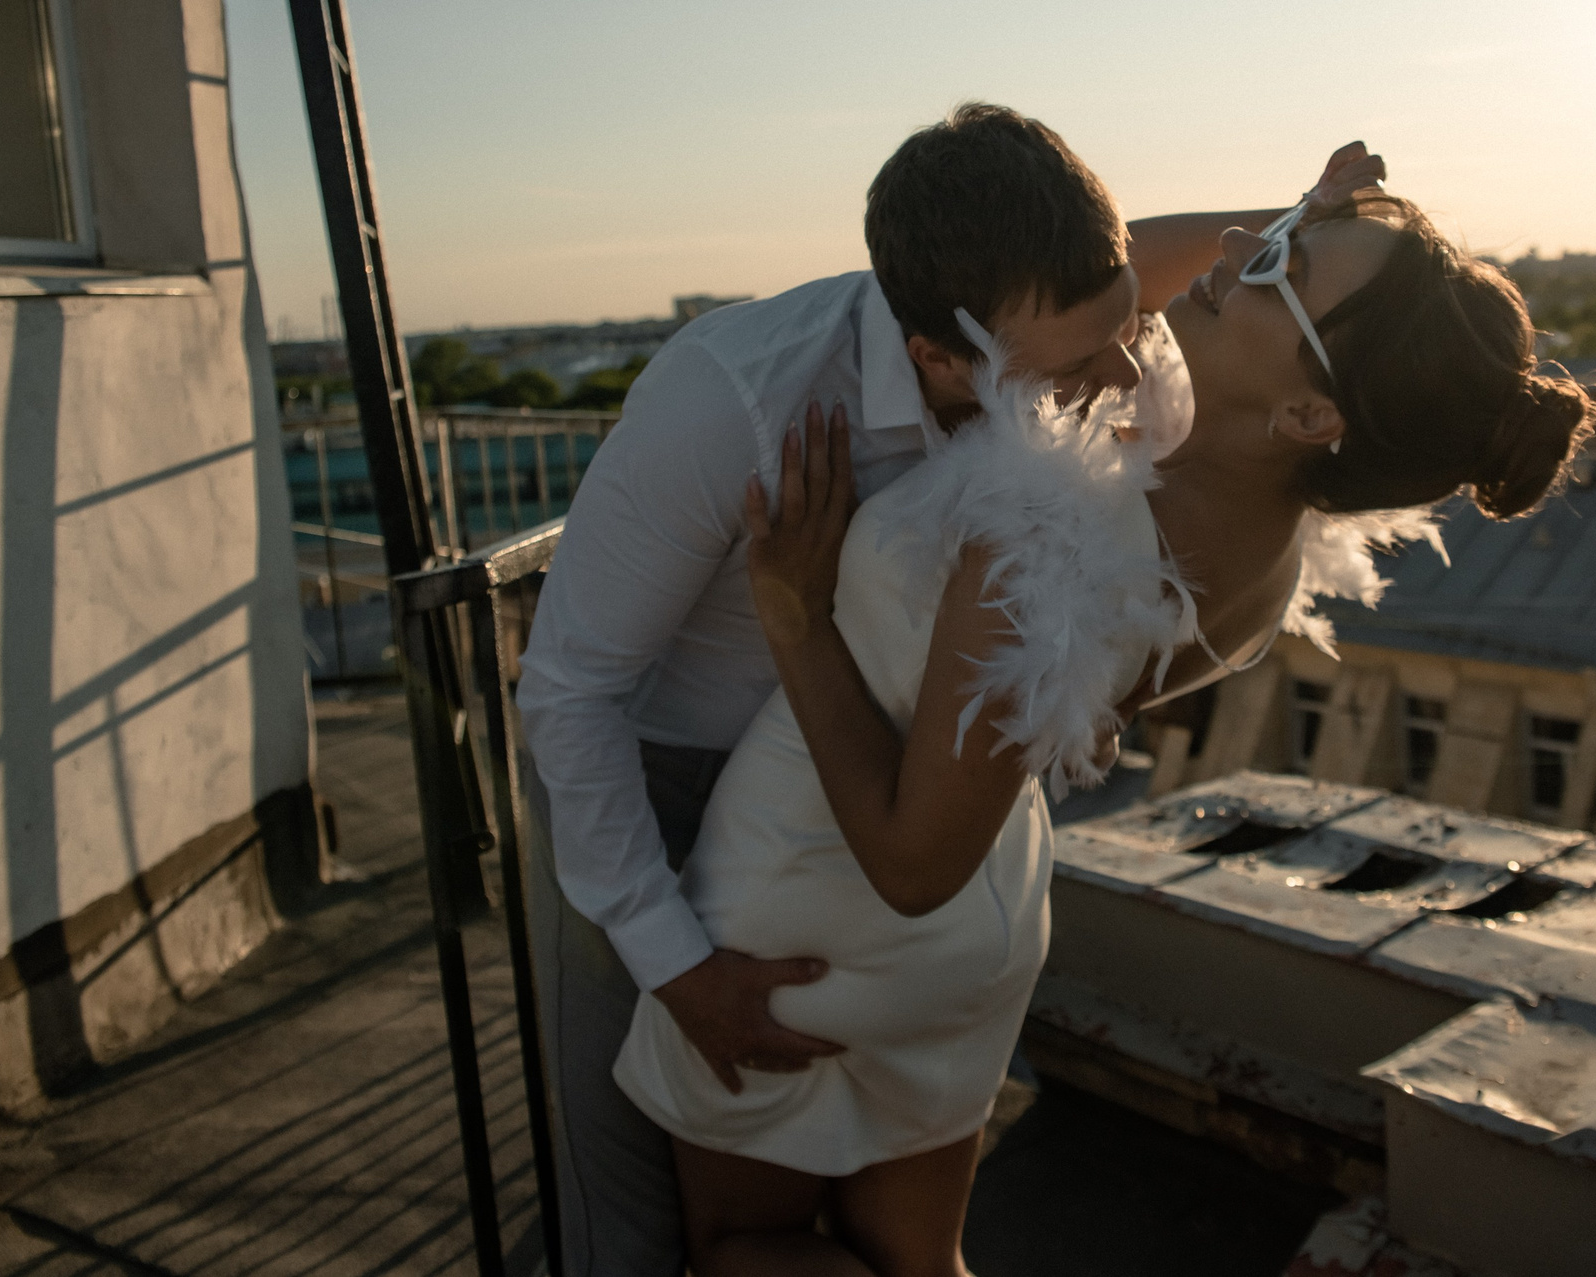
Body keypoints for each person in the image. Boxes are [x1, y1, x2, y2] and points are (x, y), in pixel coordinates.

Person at [614, 180, 1595, 1275]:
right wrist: (1298, 219)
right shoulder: (1260, 543)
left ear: (1310, 415)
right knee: (916, 1254)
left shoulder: (1051, 529)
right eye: (1277, 236)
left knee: (741, 1245)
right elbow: (1136, 281)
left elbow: (909, 860)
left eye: (1282, 265)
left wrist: (795, 616)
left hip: (809, 915)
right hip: (981, 931)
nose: (1236, 247)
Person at [513, 104, 1356, 1277]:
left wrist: (1302, 225)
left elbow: (1167, 268)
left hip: (915, 814)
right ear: (938, 358)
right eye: (1075, 366)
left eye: (1127, 324)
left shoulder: (1062, 316)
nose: (1125, 373)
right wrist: (676, 966)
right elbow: (568, 694)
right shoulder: (732, 402)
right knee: (634, 1220)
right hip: (664, 789)